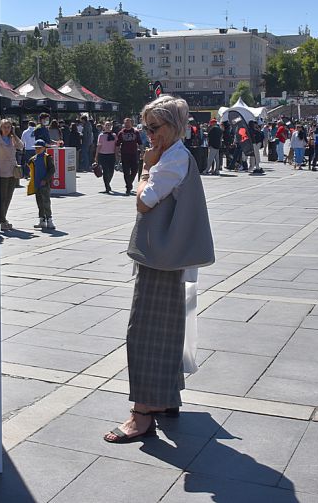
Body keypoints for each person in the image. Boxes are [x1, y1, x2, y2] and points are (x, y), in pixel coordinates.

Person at [104, 94, 212, 443]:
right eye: (145, 128)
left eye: (154, 127)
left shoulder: (171, 159)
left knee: (144, 332)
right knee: (166, 329)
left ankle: (142, 413)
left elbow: (144, 201)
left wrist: (145, 169)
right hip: (169, 257)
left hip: (161, 260)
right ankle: (165, 399)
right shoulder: (176, 154)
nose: (148, 134)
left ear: (173, 125)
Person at [0, 120, 23, 231]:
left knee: (9, 196)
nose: (7, 129)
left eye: (9, 127)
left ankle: (3, 218)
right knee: (2, 197)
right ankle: (2, 220)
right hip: (1, 171)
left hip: (13, 171)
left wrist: (15, 135)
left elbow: (21, 146)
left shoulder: (12, 138)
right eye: (4, 127)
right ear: (0, 127)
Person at [27, 139, 55, 230]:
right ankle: (41, 220)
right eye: (36, 148)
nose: (37, 150)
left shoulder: (47, 157)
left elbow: (52, 170)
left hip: (44, 184)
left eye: (39, 148)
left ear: (44, 148)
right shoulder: (33, 159)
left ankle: (49, 220)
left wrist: (45, 179)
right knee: (39, 203)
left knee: (46, 202)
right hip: (36, 184)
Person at [116, 117, 142, 195]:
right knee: (126, 171)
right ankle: (128, 187)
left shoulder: (136, 132)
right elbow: (117, 144)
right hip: (125, 154)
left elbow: (140, 143)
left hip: (134, 154)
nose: (127, 124)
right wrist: (117, 154)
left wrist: (142, 152)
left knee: (135, 170)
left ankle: (129, 182)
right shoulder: (121, 133)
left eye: (128, 122)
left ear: (131, 123)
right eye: (125, 123)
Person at [95, 121, 118, 193]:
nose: (108, 126)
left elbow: (116, 146)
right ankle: (107, 187)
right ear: (104, 126)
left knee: (111, 171)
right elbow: (98, 146)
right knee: (105, 171)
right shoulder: (101, 135)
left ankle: (108, 183)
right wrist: (96, 156)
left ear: (111, 126)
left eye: (109, 125)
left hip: (111, 155)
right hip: (103, 155)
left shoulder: (114, 135)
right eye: (106, 125)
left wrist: (117, 154)